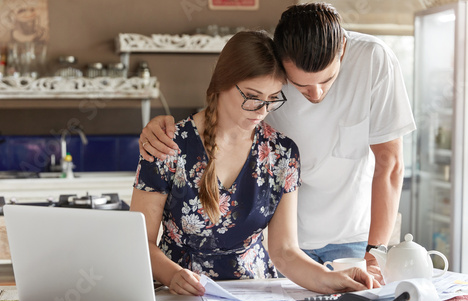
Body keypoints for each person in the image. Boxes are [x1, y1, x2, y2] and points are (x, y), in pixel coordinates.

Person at [137, 3, 416, 284]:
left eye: (271, 99)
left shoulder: (281, 153)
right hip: (204, 281)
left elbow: (389, 164)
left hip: (335, 242)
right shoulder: (170, 146)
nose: (316, 94)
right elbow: (137, 243)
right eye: (300, 86)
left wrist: (362, 261)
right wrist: (174, 276)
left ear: (343, 50)